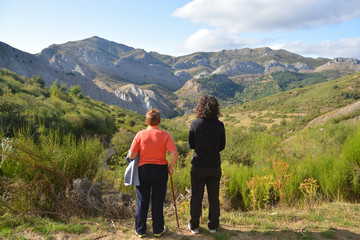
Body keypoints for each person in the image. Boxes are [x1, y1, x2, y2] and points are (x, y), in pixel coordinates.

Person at [128, 109, 178, 238]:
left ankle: (140, 230)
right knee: (157, 201)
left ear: (146, 121)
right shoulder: (165, 135)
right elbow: (174, 153)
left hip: (143, 170)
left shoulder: (139, 134)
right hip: (160, 170)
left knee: (142, 200)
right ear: (160, 121)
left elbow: (132, 155)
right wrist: (171, 168)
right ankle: (158, 230)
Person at [188, 95, 226, 234]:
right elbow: (222, 146)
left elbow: (191, 144)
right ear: (216, 109)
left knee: (196, 197)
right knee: (213, 197)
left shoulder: (195, 124)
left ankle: (194, 226)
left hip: (198, 165)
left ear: (200, 107)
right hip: (214, 165)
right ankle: (213, 226)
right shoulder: (220, 125)